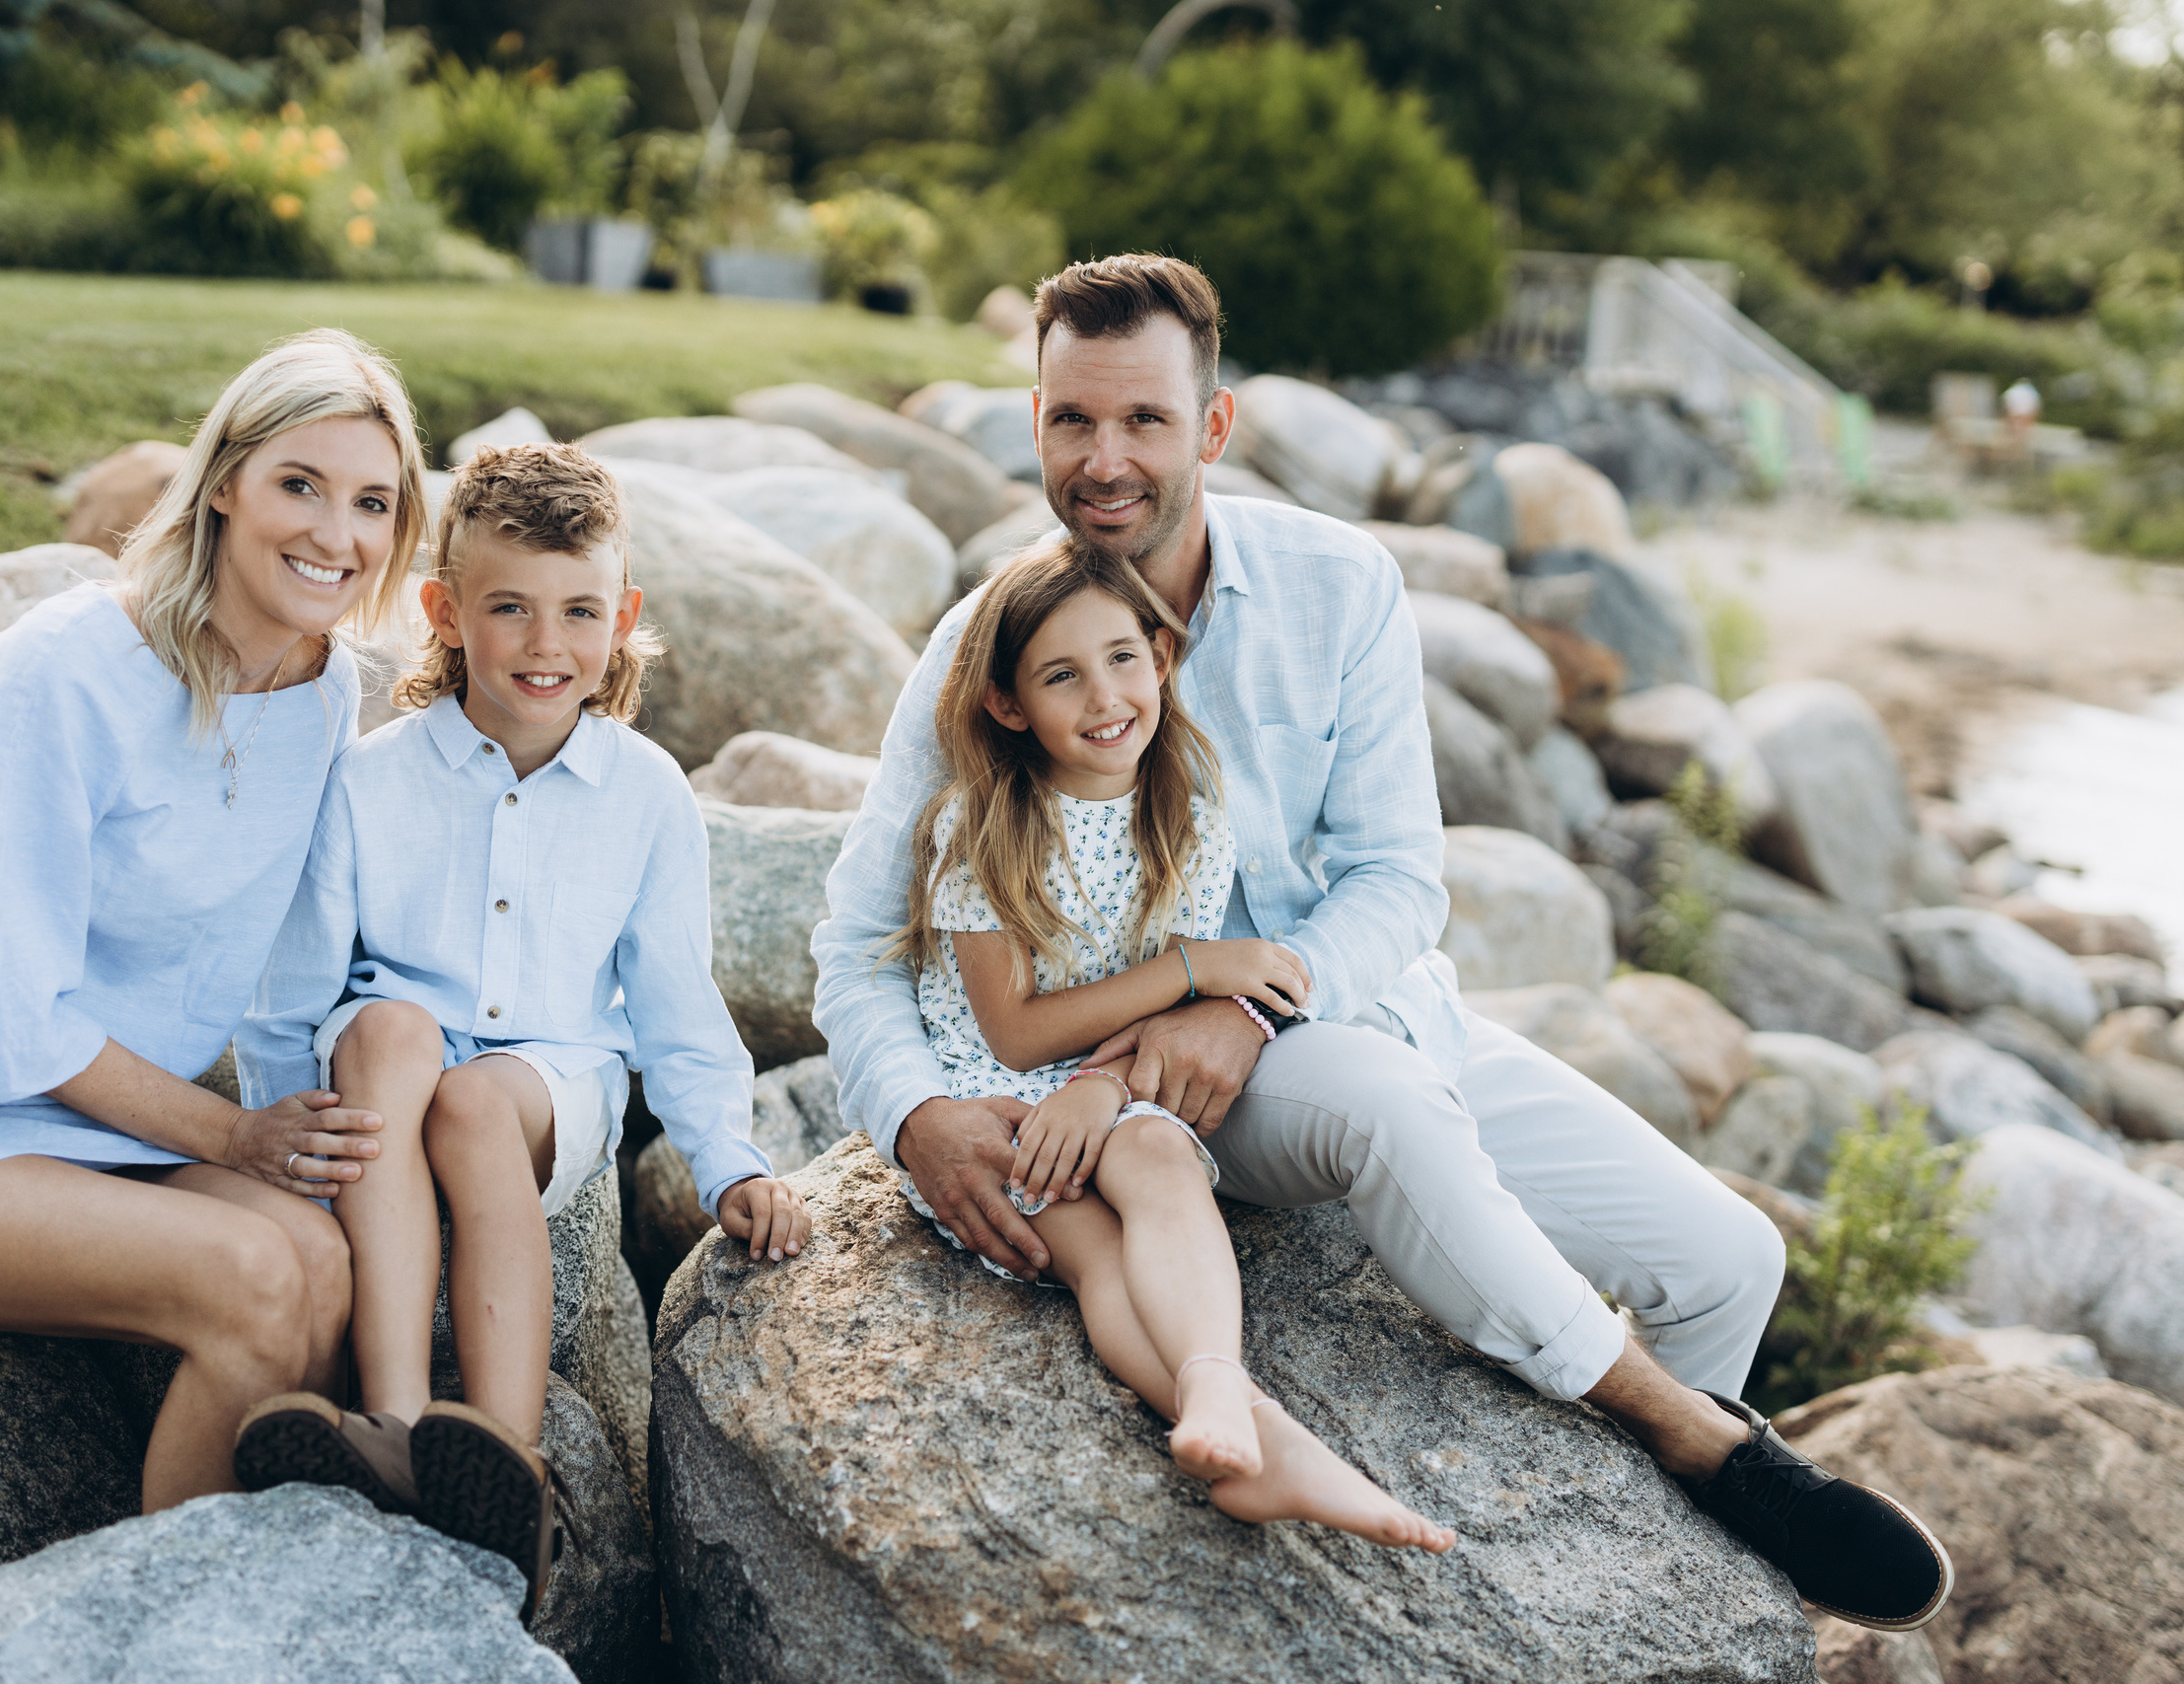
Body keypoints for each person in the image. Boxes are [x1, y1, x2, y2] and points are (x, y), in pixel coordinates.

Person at [812, 256, 1954, 1633]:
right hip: (1162, 1093)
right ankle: (1696, 1439)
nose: (1104, 459)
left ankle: (1653, 1586)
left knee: (1729, 1257)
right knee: (1388, 1107)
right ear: (1036, 418)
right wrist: (916, 1110)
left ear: (1213, 428)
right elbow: (858, 938)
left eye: (1145, 421)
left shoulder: (1339, 582)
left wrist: (1257, 1006)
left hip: (1353, 1012)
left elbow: (1402, 878)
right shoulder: (982, 649)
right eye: (1071, 420)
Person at [0, 329, 428, 1510]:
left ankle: (237, 1600)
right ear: (221, 487)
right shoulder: (53, 677)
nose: (333, 535)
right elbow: (19, 1018)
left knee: (318, 1260)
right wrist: (231, 1137)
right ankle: (150, 1624)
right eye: (298, 485)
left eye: (371, 502)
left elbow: (311, 951)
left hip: (72, 1129)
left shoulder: (320, 694)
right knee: (257, 1271)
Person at [232, 442, 809, 1606]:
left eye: (579, 612)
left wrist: (727, 1157)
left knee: (474, 1099)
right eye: (510, 609)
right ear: (446, 612)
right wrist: (272, 1139)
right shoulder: (370, 779)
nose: (547, 647)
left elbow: (676, 1002)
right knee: (389, 1035)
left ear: (622, 617)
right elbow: (290, 988)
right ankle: (394, 1419)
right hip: (388, 1073)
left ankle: (506, 1457)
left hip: (549, 1083)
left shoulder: (647, 794)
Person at [885, 534, 1458, 1551]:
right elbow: (1014, 1034)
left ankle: (1212, 1393)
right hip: (999, 1099)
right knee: (1094, 1253)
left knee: (1159, 1159)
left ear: (1160, 655)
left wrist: (1107, 1094)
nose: (1104, 697)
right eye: (1060, 675)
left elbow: (1149, 1030)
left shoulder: (1187, 813)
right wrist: (1198, 970)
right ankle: (1271, 1446)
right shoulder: (979, 827)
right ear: (1009, 705)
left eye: (1121, 658)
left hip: (1106, 1085)